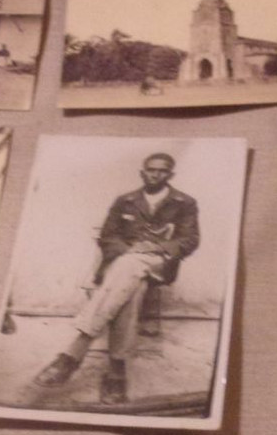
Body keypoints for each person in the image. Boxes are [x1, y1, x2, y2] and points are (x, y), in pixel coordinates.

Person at [33, 152, 199, 404]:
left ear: (170, 174)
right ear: (142, 172)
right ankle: (116, 371)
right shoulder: (125, 201)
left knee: (130, 268)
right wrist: (129, 251)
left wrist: (158, 249)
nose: (156, 174)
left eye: (162, 171)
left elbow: (189, 240)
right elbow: (108, 237)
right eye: (151, 169)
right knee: (132, 288)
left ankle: (72, 355)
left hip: (158, 263)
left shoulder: (184, 202)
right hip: (125, 266)